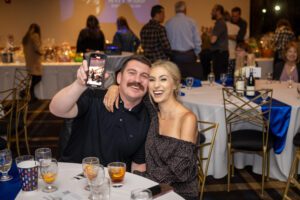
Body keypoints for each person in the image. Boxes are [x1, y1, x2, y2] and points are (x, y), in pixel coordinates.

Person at [104, 61, 199, 200]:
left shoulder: (187, 118)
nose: (156, 85)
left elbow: (180, 171)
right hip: (151, 187)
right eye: (152, 79)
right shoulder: (152, 111)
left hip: (179, 193)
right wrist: (115, 87)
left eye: (163, 79)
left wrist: (138, 178)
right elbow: (130, 92)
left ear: (175, 84)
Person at [49, 55, 152, 172]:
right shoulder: (94, 97)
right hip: (76, 176)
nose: (137, 80)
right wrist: (79, 85)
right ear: (119, 78)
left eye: (144, 76)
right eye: (132, 73)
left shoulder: (147, 118)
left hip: (113, 183)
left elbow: (138, 164)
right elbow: (56, 109)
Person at [165, 1, 201, 65]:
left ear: (175, 10)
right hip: (189, 56)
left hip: (174, 56)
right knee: (190, 75)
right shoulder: (192, 22)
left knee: (175, 75)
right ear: (185, 10)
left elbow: (166, 41)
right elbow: (197, 41)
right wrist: (196, 53)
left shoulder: (168, 23)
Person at [22, 23, 44, 101]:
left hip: (29, 61)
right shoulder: (35, 36)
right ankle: (25, 91)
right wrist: (43, 52)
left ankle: (32, 96)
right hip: (35, 61)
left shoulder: (26, 38)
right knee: (38, 78)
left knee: (33, 79)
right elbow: (37, 48)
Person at [209, 4, 229, 80]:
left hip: (220, 55)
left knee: (219, 79)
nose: (211, 13)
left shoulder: (220, 23)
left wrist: (209, 35)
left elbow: (212, 40)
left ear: (218, 11)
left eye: (213, 11)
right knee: (220, 77)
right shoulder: (220, 23)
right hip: (221, 54)